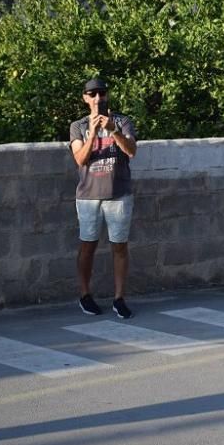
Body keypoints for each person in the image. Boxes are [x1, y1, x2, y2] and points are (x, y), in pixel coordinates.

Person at [69, 77, 138, 319]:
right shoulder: (77, 126)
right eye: (93, 94)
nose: (98, 98)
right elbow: (80, 159)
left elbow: (131, 151)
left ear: (107, 96)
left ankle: (119, 298)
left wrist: (113, 131)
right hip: (88, 196)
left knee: (119, 246)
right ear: (85, 98)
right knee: (88, 245)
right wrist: (93, 133)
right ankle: (85, 295)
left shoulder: (122, 121)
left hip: (118, 194)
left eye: (102, 93)